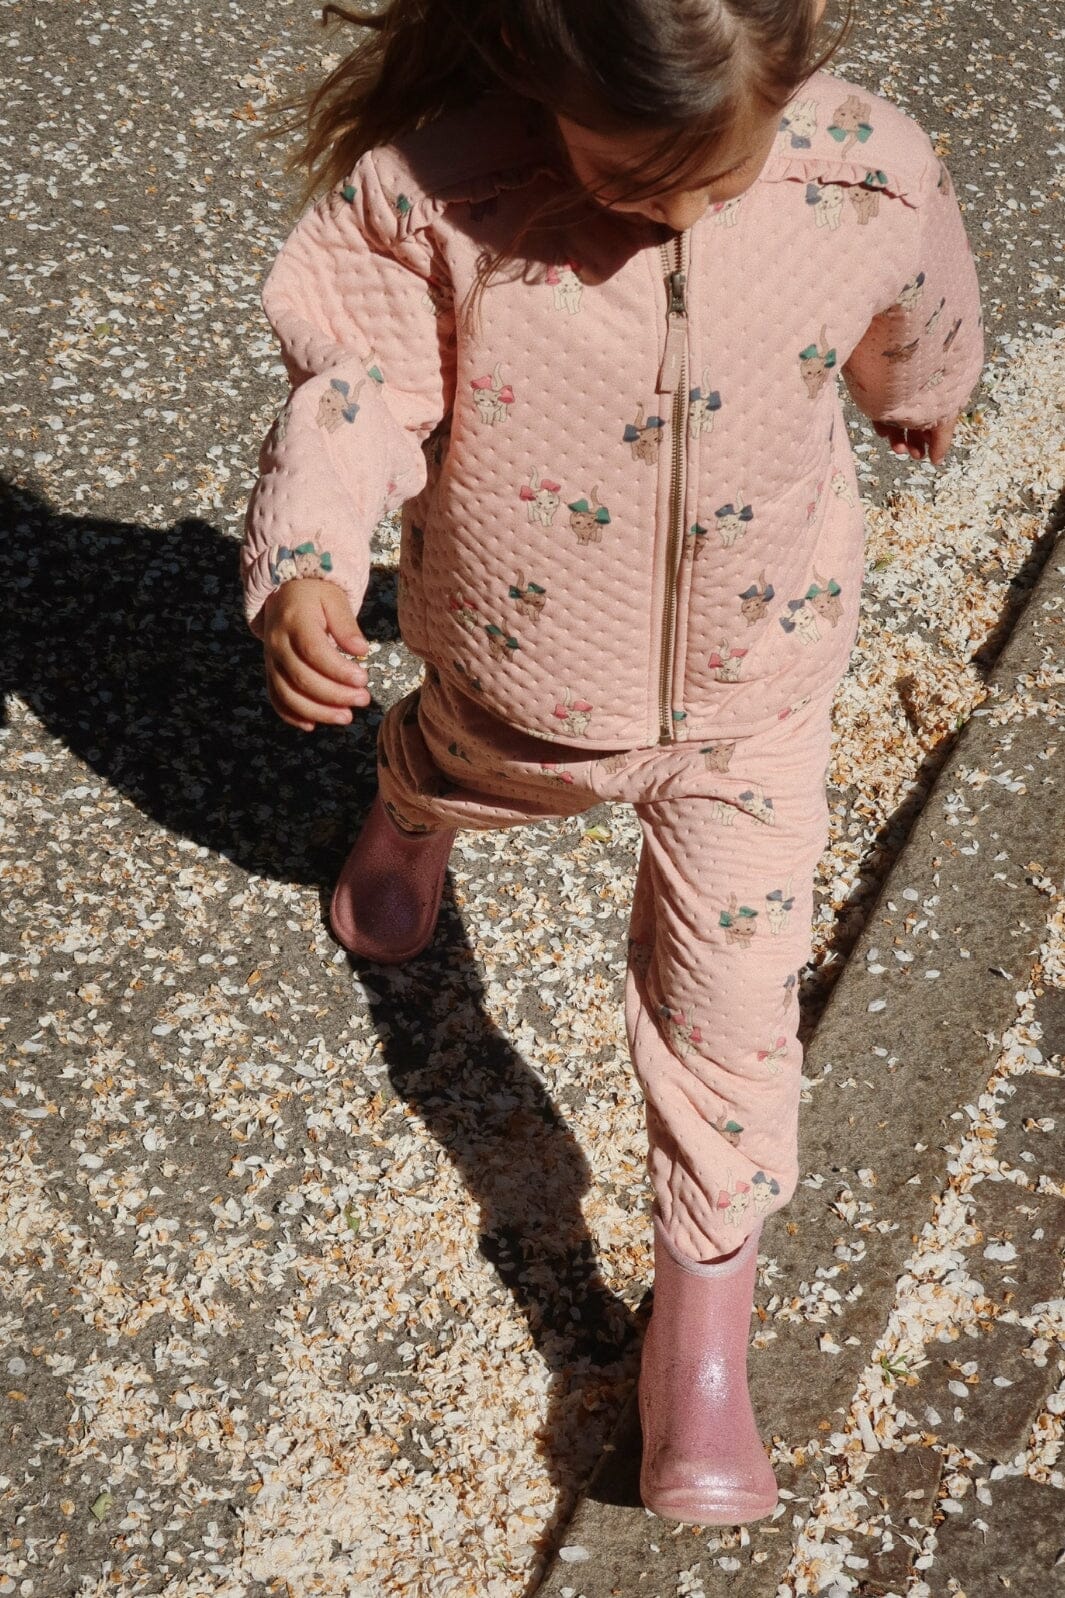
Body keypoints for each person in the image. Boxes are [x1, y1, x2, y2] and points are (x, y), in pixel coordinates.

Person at [240, 0, 983, 1526]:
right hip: (524, 679)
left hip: (752, 694)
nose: (677, 214)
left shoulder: (861, 168)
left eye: (717, 175)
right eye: (629, 176)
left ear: (794, 52)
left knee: (737, 1011)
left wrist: (917, 391)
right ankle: (407, 805)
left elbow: (915, 301)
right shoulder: (446, 193)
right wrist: (308, 557)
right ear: (541, 66)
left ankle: (697, 1344)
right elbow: (356, 388)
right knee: (454, 764)